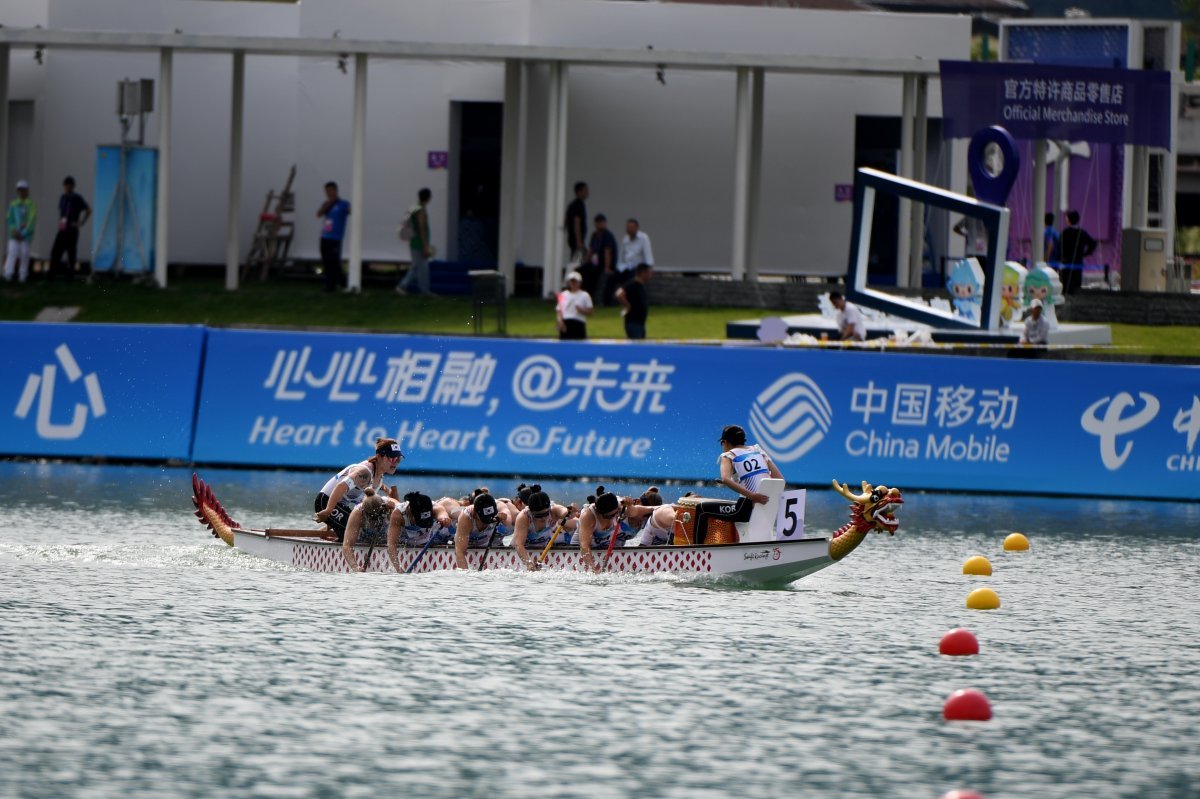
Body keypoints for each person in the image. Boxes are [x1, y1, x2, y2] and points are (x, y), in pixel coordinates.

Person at [313, 439, 403, 540]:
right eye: (391, 458)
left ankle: (327, 534)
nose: (395, 463)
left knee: (365, 528)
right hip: (325, 502)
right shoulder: (364, 472)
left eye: (398, 459)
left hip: (339, 505)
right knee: (354, 532)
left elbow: (365, 507)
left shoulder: (379, 477)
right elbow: (340, 487)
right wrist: (328, 511)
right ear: (379, 456)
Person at [506, 486, 574, 570]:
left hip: (543, 550)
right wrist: (529, 563)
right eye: (538, 515)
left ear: (549, 508)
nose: (542, 518)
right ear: (530, 511)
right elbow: (519, 544)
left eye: (545, 514)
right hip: (519, 553)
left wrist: (570, 512)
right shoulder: (524, 516)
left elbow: (565, 512)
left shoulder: (554, 510)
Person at [385, 491, 453, 572]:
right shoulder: (398, 514)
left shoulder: (435, 507)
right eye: (420, 520)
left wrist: (445, 519)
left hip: (428, 536)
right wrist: (398, 569)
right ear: (410, 512)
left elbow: (442, 514)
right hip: (406, 538)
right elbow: (391, 544)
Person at [717, 424, 783, 505]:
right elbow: (780, 479)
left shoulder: (727, 455)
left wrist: (752, 496)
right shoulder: (758, 450)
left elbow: (725, 479)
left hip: (746, 504)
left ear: (725, 442)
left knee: (702, 508)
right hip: (768, 503)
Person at [341, 488, 398, 572]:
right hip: (363, 539)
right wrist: (355, 567)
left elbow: (407, 511)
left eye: (376, 517)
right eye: (371, 518)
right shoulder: (358, 513)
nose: (374, 520)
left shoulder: (391, 505)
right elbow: (347, 545)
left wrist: (395, 509)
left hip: (387, 539)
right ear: (364, 512)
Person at [574, 487, 629, 573]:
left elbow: (640, 511)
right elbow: (584, 547)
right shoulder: (588, 516)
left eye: (615, 514)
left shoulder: (618, 504)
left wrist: (631, 506)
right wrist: (593, 569)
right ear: (599, 513)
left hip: (602, 546)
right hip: (578, 550)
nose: (612, 518)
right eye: (608, 516)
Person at [48, 176, 90, 282]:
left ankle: (70, 275)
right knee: (56, 251)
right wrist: (61, 226)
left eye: (69, 186)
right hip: (63, 227)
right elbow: (62, 213)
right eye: (66, 185)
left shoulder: (77, 198)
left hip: (72, 228)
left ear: (73, 186)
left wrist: (81, 222)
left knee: (71, 253)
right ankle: (52, 274)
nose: (67, 188)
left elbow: (88, 209)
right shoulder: (63, 198)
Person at [453, 492, 510, 569]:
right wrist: (465, 576)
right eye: (484, 519)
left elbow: (509, 522)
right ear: (475, 513)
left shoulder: (500, 507)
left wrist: (504, 518)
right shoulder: (466, 517)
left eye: (491, 517)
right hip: (465, 536)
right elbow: (459, 552)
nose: (487, 521)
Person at [397, 188, 434, 295]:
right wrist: (425, 246)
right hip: (419, 243)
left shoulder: (415, 207)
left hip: (415, 241)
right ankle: (424, 290)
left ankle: (403, 286)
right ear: (428, 198)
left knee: (417, 266)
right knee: (423, 267)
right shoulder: (420, 210)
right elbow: (421, 228)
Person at [317, 181, 350, 293]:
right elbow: (318, 214)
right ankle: (341, 283)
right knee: (327, 262)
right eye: (326, 191)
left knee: (334, 262)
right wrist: (328, 204)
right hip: (325, 236)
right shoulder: (326, 204)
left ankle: (332, 286)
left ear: (335, 190)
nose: (328, 193)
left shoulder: (343, 204)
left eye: (330, 190)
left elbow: (350, 211)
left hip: (335, 238)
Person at [612, 218, 653, 305]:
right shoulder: (625, 239)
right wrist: (618, 267)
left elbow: (648, 254)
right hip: (625, 266)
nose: (630, 229)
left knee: (631, 280)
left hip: (637, 268)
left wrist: (648, 268)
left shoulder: (643, 238)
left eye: (632, 227)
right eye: (628, 227)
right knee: (612, 278)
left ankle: (630, 300)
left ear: (637, 228)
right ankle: (609, 301)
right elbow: (621, 255)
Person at [4, 180, 37, 284]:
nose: (21, 192)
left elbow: (32, 221)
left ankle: (22, 276)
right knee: (12, 253)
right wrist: (14, 230)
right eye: (19, 190)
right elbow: (9, 218)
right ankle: (8, 275)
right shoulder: (13, 204)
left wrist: (23, 233)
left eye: (23, 190)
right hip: (14, 235)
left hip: (25, 236)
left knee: (24, 254)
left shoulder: (32, 205)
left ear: (27, 190)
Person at [1058, 210, 1096, 295]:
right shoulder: (1082, 232)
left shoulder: (1065, 232)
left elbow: (1059, 247)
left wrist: (1060, 259)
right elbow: (1093, 243)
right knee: (1076, 284)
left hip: (1066, 262)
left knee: (1066, 284)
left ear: (1068, 220)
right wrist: (1085, 253)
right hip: (1078, 261)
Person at [583, 213, 617, 302]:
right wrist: (585, 261)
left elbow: (607, 252)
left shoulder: (607, 236)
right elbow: (591, 250)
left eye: (601, 222)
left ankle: (591, 297)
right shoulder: (594, 235)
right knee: (583, 270)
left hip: (604, 263)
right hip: (595, 262)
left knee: (593, 275)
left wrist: (607, 268)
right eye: (597, 223)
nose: (599, 225)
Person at [615, 262, 653, 340]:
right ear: (643, 273)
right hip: (633, 322)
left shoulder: (641, 286)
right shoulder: (632, 285)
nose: (650, 275)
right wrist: (627, 306)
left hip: (640, 323)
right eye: (649, 273)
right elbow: (619, 294)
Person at [556, 270, 593, 340]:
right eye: (571, 282)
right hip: (566, 323)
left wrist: (582, 310)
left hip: (578, 323)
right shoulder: (563, 294)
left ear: (580, 283)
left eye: (575, 282)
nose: (573, 284)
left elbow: (590, 311)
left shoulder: (585, 295)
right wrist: (560, 322)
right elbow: (559, 311)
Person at [564, 181, 588, 265]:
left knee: (578, 257)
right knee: (577, 260)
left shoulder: (572, 205)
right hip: (576, 240)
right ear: (579, 192)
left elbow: (565, 219)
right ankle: (572, 275)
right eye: (585, 190)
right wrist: (579, 241)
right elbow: (576, 223)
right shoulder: (578, 205)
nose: (587, 192)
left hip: (572, 238)